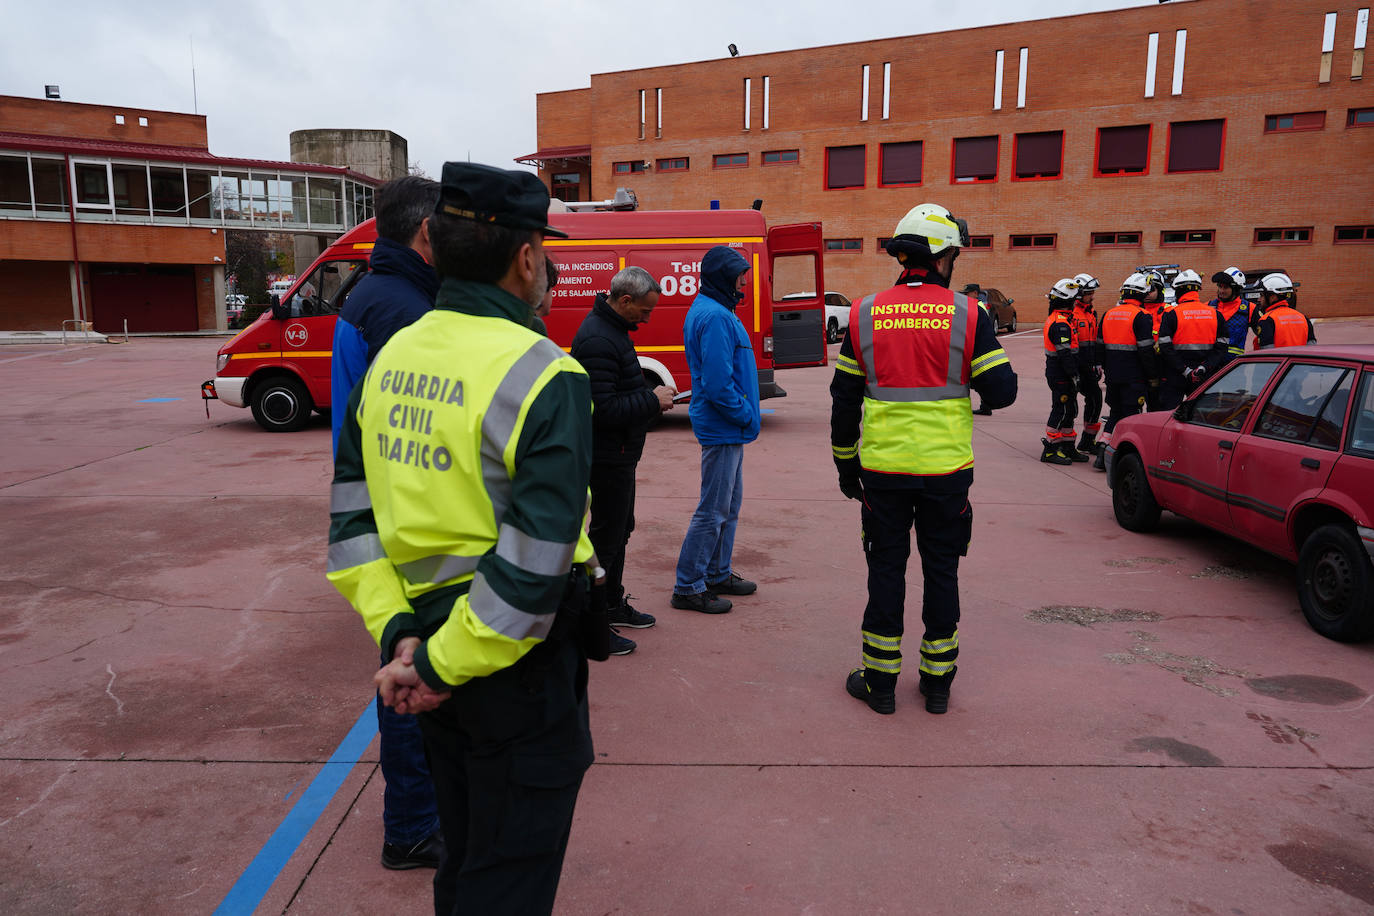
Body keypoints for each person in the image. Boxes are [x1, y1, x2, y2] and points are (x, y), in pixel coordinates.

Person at [327, 161, 597, 915]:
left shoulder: (391, 360)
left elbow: (352, 527)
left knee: (465, 860)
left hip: (425, 647)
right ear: (527, 257)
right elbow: (536, 562)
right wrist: (442, 666)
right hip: (510, 666)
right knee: (508, 876)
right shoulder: (548, 373)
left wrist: (402, 639)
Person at [832, 203, 1017, 716]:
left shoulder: (865, 311)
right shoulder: (968, 313)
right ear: (942, 256)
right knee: (942, 572)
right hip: (946, 475)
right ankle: (937, 685)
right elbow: (1001, 393)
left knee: (885, 573)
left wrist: (846, 466)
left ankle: (880, 684)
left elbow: (844, 399)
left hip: (882, 474)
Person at [328, 174, 445, 872]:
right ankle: (410, 827)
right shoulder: (403, 312)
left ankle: (414, 817)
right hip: (405, 521)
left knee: (405, 669)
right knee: (410, 674)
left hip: (378, 507)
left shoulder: (371, 295)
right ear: (427, 233)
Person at [572, 267, 676, 654]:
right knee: (605, 539)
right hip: (607, 458)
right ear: (625, 301)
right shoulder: (599, 338)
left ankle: (611, 605)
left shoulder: (612, 330)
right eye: (644, 311)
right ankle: (592, 623)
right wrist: (652, 400)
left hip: (619, 456)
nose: (648, 318)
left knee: (620, 531)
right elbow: (600, 409)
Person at [670, 245, 761, 614]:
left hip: (727, 428)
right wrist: (744, 414)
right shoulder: (716, 317)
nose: (744, 279)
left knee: (728, 506)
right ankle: (688, 585)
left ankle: (717, 572)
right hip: (724, 426)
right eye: (740, 273)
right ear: (725, 275)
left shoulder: (715, 310)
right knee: (713, 509)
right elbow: (719, 383)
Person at [1092, 273, 1160, 471]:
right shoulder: (1142, 316)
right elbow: (1146, 351)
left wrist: (1101, 365)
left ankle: (1102, 450)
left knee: (1115, 414)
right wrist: (1153, 376)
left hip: (1113, 376)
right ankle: (1120, 459)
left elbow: (1099, 346)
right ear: (1142, 294)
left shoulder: (1109, 314)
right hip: (1135, 377)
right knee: (1132, 418)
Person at [1156, 269, 1228, 410]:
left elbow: (1165, 347)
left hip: (1175, 375)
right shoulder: (1215, 314)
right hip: (1205, 375)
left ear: (1178, 291)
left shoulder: (1171, 314)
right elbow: (1222, 347)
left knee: (1169, 416)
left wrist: (1185, 370)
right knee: (1203, 416)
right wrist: (1203, 367)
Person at [1041, 278, 1085, 464]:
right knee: (1061, 409)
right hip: (1061, 374)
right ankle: (1051, 450)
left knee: (1070, 410)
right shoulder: (1060, 324)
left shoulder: (1063, 320)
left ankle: (1067, 447)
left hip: (1062, 373)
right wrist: (1074, 375)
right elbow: (1065, 353)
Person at [1071, 273, 1104, 457]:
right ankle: (1065, 443)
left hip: (1089, 366)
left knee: (1095, 400)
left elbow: (1095, 340)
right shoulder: (1072, 314)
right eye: (1089, 292)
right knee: (1070, 407)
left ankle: (1087, 441)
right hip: (1076, 367)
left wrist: (1097, 363)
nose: (1092, 296)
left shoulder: (1092, 312)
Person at [1253, 273, 1316, 348]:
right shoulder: (1304, 318)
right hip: (1300, 360)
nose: (1259, 299)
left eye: (1261, 295)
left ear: (1273, 297)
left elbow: (1267, 354)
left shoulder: (1266, 320)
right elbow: (1312, 349)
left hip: (1279, 360)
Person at [962, 283, 995, 416]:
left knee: (976, 377)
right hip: (975, 345)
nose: (966, 295)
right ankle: (985, 406)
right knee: (976, 377)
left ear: (975, 293)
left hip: (976, 347)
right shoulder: (975, 306)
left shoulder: (978, 306)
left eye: (968, 293)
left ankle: (985, 407)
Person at [1208, 267, 1251, 363]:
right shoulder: (1209, 306)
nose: (1221, 291)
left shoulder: (1249, 308)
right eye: (1220, 286)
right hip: (1210, 364)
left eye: (1226, 287)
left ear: (1236, 289)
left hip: (1234, 367)